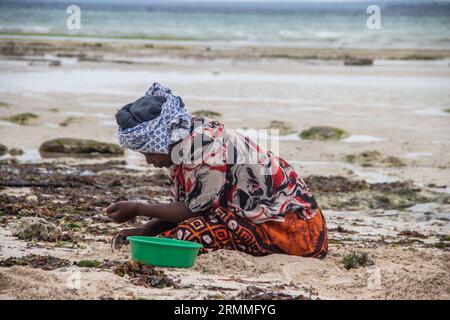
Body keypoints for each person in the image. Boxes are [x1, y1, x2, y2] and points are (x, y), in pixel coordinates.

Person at [107, 82, 328, 257]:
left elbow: (193, 211)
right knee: (174, 234)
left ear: (165, 141)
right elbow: (190, 203)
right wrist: (146, 230)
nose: (149, 161)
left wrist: (138, 208)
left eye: (151, 153)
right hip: (249, 215)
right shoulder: (181, 142)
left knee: (185, 238)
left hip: (294, 229)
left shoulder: (204, 148)